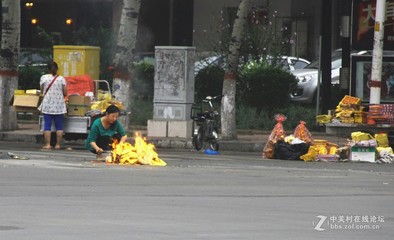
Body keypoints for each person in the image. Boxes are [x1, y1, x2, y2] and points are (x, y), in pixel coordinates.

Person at [39, 61, 67, 150]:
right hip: (59, 105)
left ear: (48, 69)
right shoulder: (61, 79)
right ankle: (58, 145)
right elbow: (65, 92)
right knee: (59, 126)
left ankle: (48, 144)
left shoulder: (44, 78)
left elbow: (42, 91)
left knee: (47, 125)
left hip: (48, 104)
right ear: (57, 69)